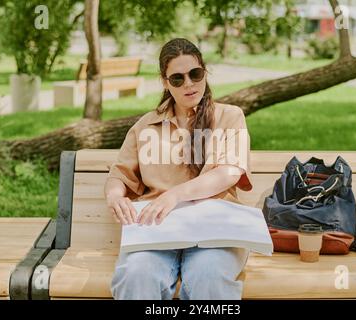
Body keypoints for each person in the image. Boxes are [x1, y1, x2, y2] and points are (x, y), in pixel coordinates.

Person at [104, 38, 253, 300]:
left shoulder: (230, 116)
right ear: (165, 82)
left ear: (204, 72)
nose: (189, 84)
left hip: (215, 228)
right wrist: (115, 196)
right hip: (156, 227)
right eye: (177, 78)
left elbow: (229, 172)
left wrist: (173, 195)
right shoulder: (146, 126)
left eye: (195, 74)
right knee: (136, 276)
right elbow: (120, 175)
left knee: (210, 278)